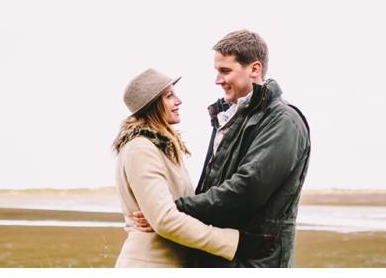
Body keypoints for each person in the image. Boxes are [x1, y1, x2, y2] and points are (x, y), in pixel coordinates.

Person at [133, 30, 311, 267]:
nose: (218, 80)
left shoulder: (283, 121)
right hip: (221, 258)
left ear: (255, 69)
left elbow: (247, 190)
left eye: (225, 71)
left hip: (255, 261)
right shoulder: (230, 117)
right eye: (217, 71)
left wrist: (173, 211)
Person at [112, 67, 275, 267]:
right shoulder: (141, 148)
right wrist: (236, 242)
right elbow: (165, 220)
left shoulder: (160, 148)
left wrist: (175, 211)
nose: (178, 101)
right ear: (153, 105)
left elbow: (169, 212)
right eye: (169, 96)